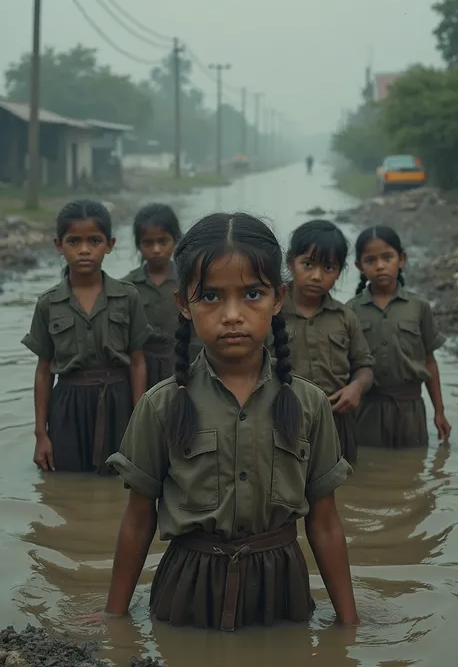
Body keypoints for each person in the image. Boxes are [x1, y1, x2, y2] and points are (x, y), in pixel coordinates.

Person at [90, 212, 358, 631]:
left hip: (281, 591)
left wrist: (349, 624)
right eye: (211, 297)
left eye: (252, 293)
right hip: (187, 591)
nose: (232, 314)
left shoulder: (310, 404)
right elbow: (138, 520)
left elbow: (324, 523)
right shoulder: (159, 406)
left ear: (278, 298)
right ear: (183, 304)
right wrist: (114, 616)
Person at [21, 199, 151, 475]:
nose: (84, 250)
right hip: (67, 407)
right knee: (65, 482)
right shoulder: (48, 304)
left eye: (94, 240)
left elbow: (138, 362)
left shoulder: (128, 297)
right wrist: (41, 434)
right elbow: (44, 371)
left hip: (119, 403)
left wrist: (139, 422)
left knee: (123, 479)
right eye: (73, 241)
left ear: (110, 244)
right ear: (59, 245)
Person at [275, 220, 374, 464]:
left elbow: (364, 366)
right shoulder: (269, 312)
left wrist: (356, 388)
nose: (317, 276)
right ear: (290, 262)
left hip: (336, 425)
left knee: (343, 493)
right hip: (282, 423)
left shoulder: (345, 317)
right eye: (307, 264)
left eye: (328, 268)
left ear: (340, 272)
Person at [347, 225, 451, 448]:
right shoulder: (351, 311)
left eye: (387, 257)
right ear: (359, 266)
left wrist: (439, 412)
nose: (380, 266)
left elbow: (429, 362)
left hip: (410, 409)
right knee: (367, 467)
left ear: (401, 259)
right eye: (370, 260)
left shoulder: (419, 307)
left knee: (413, 471)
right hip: (367, 409)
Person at [122, 203, 185, 388]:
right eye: (148, 243)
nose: (156, 249)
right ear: (139, 245)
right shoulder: (127, 286)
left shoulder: (188, 282)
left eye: (163, 241)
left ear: (175, 241)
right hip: (139, 367)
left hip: (181, 363)